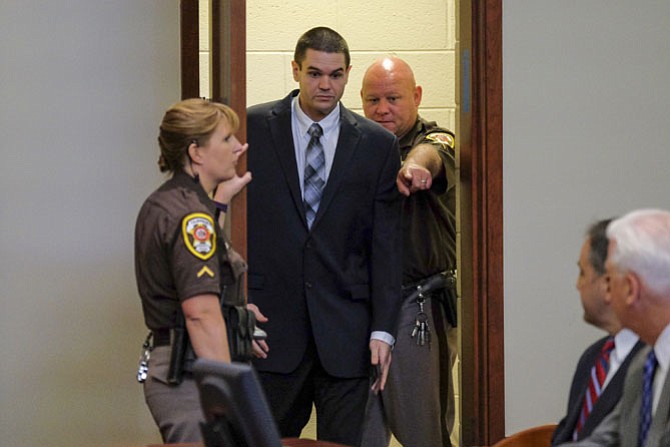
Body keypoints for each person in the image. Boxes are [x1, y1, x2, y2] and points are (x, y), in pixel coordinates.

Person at [246, 27, 403, 446]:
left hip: (347, 335)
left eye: (335, 75)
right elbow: (229, 224)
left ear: (348, 74)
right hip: (270, 331)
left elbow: (386, 245)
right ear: (295, 69)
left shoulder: (377, 145)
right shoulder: (251, 128)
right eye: (315, 73)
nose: (325, 85)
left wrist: (383, 330)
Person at [134, 98, 251, 443]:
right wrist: (231, 392)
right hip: (190, 378)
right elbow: (200, 313)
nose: (237, 147)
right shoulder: (190, 216)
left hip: (182, 368)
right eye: (227, 139)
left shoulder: (166, 202)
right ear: (196, 152)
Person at [359, 56, 457, 447]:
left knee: (423, 432)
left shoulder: (434, 139)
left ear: (416, 96)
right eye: (372, 100)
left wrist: (415, 167)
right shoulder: (356, 147)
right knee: (361, 429)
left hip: (416, 305)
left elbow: (432, 155)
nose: (382, 109)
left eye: (393, 98)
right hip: (360, 308)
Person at [557, 209, 670, 447]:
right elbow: (604, 440)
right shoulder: (645, 365)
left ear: (630, 288)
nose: (607, 289)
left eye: (611, 278)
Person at [551, 219, 643, 445]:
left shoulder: (655, 362)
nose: (577, 285)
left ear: (608, 284)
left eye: (582, 273)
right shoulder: (592, 358)